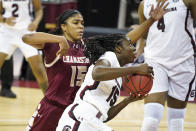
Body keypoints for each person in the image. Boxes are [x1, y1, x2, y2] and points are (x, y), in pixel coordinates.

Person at [56, 1, 169, 130]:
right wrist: (135, 68)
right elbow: (96, 73)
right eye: (130, 45)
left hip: (93, 120)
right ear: (119, 49)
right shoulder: (109, 56)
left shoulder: (118, 76)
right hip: (82, 116)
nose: (134, 48)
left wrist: (128, 100)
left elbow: (105, 116)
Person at [22, 9, 89, 131]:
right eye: (76, 22)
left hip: (75, 112)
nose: (80, 26)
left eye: (82, 23)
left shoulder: (87, 46)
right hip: (52, 108)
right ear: (64, 26)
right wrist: (60, 39)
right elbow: (26, 37)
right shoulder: (54, 45)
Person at [137, 0, 196, 131]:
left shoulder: (187, 1)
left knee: (176, 121)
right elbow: (144, 32)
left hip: (184, 61)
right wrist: (139, 47)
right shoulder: (144, 4)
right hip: (154, 61)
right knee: (150, 122)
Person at [0, 0, 48, 97]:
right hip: (6, 32)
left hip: (26, 31)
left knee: (39, 70)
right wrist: (5, 20)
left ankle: (50, 100)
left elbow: (39, 10)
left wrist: (35, 22)